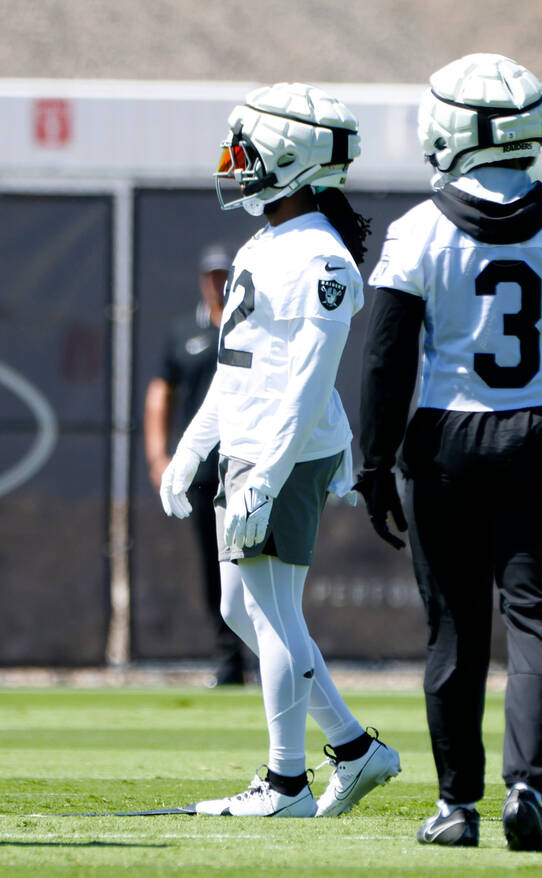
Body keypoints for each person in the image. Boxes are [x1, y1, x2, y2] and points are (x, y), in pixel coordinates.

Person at [356, 54, 542, 850]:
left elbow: (385, 360)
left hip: (446, 441)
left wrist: (373, 466)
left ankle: (455, 806)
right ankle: (526, 788)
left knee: (455, 628)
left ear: (458, 130)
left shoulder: (416, 231)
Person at [160, 82, 401, 818]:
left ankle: (287, 781)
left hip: (285, 451)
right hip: (255, 445)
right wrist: (193, 448)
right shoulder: (264, 241)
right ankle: (357, 751)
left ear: (291, 159)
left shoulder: (320, 259)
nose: (234, 164)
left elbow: (309, 381)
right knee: (245, 608)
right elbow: (239, 368)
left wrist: (265, 472)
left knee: (270, 614)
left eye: (248, 150)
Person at [144, 243, 246, 686]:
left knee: (257, 564)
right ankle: (229, 659)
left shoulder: (251, 323)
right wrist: (157, 455)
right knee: (216, 565)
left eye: (225, 274)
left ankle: (273, 657)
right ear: (202, 280)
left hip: (251, 463)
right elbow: (160, 393)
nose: (218, 283)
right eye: (212, 275)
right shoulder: (186, 331)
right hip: (205, 471)